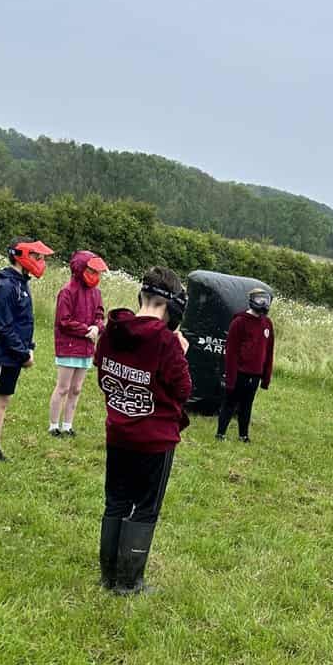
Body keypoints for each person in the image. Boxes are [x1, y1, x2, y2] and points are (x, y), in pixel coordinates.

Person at [95, 267, 192, 594]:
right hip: (154, 440)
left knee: (116, 501)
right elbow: (183, 390)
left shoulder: (112, 331)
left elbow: (102, 370)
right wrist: (182, 353)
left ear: (142, 297)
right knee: (145, 508)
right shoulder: (167, 342)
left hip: (118, 432)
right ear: (174, 308)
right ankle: (128, 581)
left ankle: (109, 575)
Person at [0, 239, 53, 461]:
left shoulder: (21, 283)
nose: (41, 262)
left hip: (13, 353)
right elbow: (3, 327)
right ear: (21, 256)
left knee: (3, 399)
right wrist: (22, 354)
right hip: (2, 354)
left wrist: (29, 347)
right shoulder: (7, 286)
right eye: (37, 257)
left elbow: (23, 322)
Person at [49, 251, 107, 436]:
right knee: (63, 387)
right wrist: (86, 330)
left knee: (76, 389)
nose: (95, 276)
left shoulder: (96, 293)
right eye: (91, 271)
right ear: (80, 269)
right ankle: (53, 425)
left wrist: (97, 327)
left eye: (97, 272)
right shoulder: (67, 292)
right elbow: (63, 321)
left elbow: (100, 315)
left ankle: (67, 425)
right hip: (68, 346)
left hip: (86, 347)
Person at [216, 287, 275, 443]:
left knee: (247, 406)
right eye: (260, 300)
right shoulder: (239, 321)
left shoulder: (267, 324)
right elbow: (231, 352)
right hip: (239, 372)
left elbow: (269, 352)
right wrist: (230, 378)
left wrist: (266, 378)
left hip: (255, 374)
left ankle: (243, 435)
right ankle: (220, 433)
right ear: (252, 300)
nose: (263, 304)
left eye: (266, 300)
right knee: (230, 403)